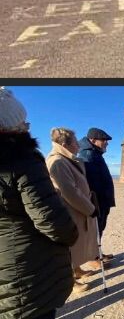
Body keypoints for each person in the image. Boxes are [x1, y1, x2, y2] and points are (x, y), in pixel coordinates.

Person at [0, 88, 78, 319]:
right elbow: (51, 220)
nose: (26, 126)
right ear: (10, 126)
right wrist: (71, 233)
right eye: (23, 121)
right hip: (25, 269)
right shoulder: (21, 160)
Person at [46, 127, 99, 294]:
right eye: (75, 143)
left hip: (76, 210)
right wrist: (90, 209)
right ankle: (70, 281)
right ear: (64, 144)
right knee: (68, 246)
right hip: (70, 211)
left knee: (76, 245)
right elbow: (70, 192)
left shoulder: (66, 159)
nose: (78, 146)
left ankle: (76, 270)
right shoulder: (58, 161)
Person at [78, 127, 115, 266]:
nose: (107, 143)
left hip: (102, 200)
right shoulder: (87, 155)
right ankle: (93, 258)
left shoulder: (95, 153)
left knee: (100, 228)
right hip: (96, 201)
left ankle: (97, 253)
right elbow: (89, 183)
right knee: (95, 229)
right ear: (93, 140)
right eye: (104, 140)